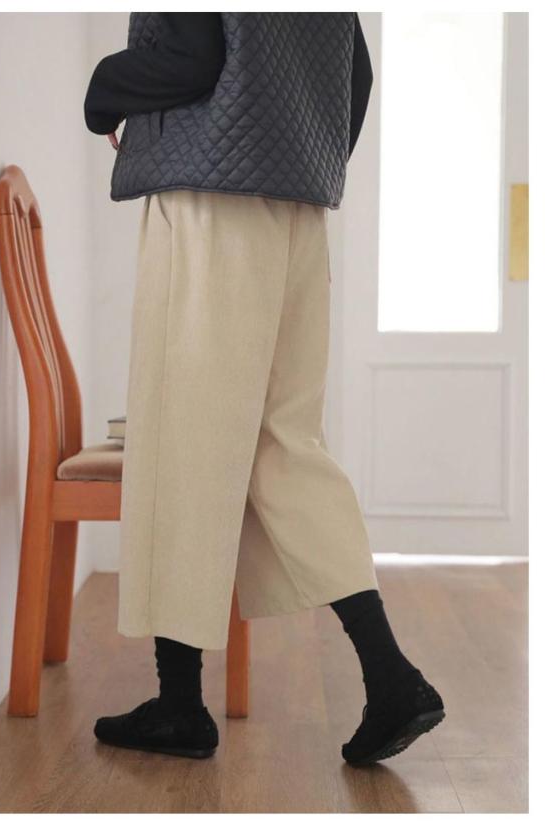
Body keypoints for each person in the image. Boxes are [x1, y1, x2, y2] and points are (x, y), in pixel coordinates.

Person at [84, 12, 445, 766]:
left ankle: (181, 704)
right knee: (286, 445)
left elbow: (191, 56)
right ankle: (391, 676)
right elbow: (356, 75)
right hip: (297, 213)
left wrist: (104, 89)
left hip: (209, 202)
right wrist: (295, 158)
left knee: (184, 444)